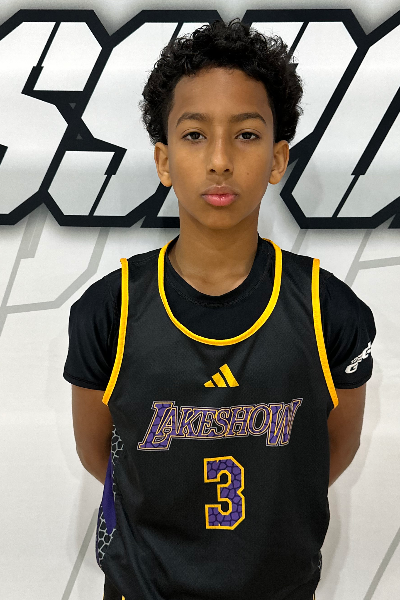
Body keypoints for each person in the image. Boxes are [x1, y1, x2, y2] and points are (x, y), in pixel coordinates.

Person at [64, 19, 376, 600]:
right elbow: (98, 451)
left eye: (247, 134)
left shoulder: (330, 310)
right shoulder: (108, 310)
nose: (220, 160)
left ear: (278, 160)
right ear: (163, 161)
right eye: (194, 135)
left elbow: (330, 450)